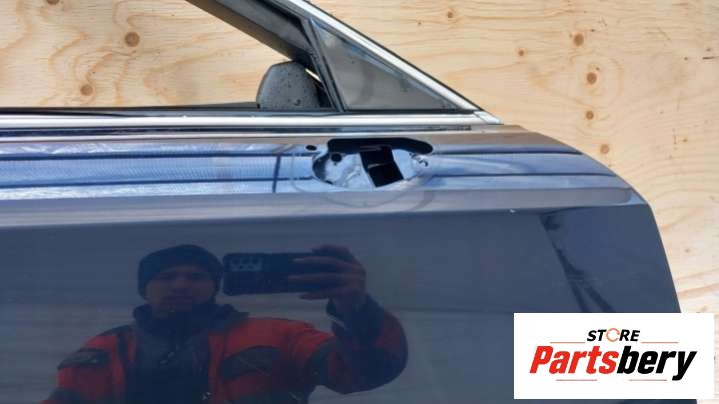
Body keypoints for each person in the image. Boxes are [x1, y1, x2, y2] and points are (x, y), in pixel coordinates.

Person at [42, 244, 407, 404]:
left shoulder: (280, 335)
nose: (180, 285)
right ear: (144, 289)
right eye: (166, 277)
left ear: (215, 286)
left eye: (196, 276)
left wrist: (357, 309)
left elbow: (365, 374)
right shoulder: (102, 351)